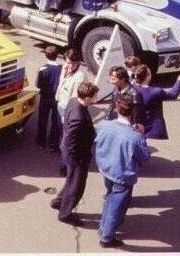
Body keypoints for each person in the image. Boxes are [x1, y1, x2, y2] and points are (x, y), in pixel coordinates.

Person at [95, 95, 150, 248]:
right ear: (132, 112)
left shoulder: (104, 125)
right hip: (123, 176)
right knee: (116, 206)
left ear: (117, 110)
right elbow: (144, 157)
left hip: (106, 169)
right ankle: (106, 238)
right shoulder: (135, 136)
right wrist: (142, 135)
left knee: (110, 198)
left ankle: (103, 227)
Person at [50, 81, 99, 226]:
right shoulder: (79, 115)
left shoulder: (73, 102)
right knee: (76, 186)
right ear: (87, 97)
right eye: (94, 96)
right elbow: (72, 140)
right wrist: (77, 158)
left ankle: (58, 202)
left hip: (71, 152)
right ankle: (65, 214)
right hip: (77, 156)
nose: (96, 98)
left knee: (71, 181)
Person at [133, 65, 180, 139]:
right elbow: (173, 94)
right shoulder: (156, 91)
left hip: (137, 127)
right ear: (148, 76)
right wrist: (179, 80)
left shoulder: (133, 89)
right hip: (154, 128)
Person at [35, 45, 62, 151]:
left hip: (45, 97)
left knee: (42, 119)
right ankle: (53, 143)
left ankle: (41, 141)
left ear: (46, 55)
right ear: (57, 55)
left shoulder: (43, 69)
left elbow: (38, 85)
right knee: (56, 121)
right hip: (57, 98)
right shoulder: (61, 68)